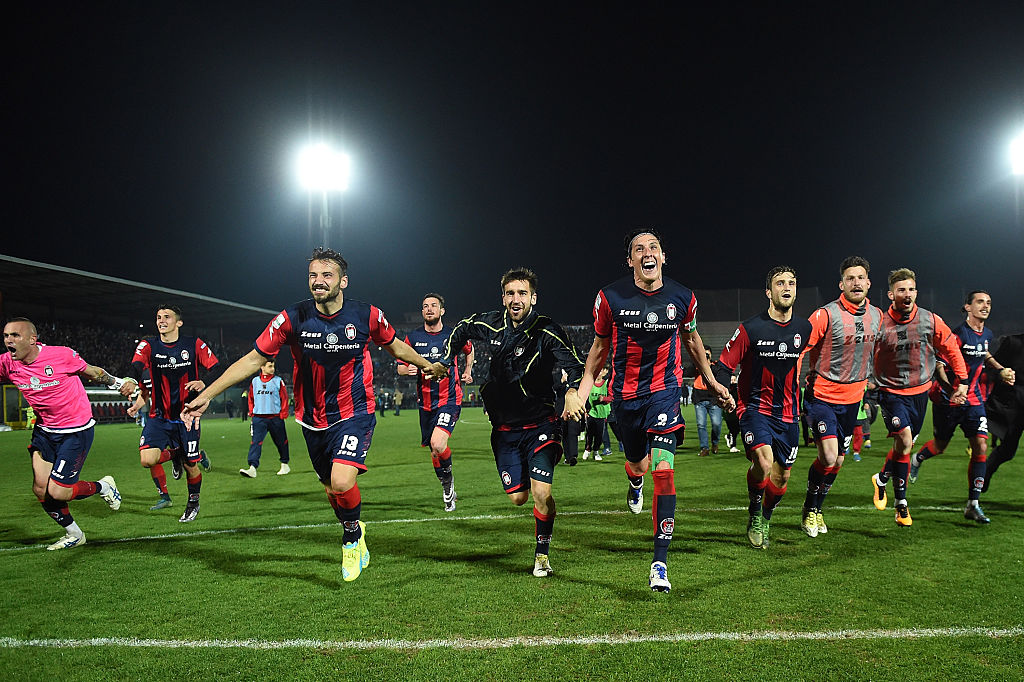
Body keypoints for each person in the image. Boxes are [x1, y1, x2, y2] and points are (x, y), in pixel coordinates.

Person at [183, 247, 441, 582]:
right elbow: (252, 359)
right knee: (332, 491)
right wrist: (207, 394)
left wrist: (425, 365)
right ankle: (355, 528)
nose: (318, 282)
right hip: (312, 417)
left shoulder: (366, 315)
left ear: (343, 281)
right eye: (313, 276)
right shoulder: (292, 318)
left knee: (341, 480)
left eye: (327, 275)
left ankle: (350, 542)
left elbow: (395, 346)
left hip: (355, 412)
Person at [577, 229, 732, 593]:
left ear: (663, 256)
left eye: (654, 247)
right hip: (624, 396)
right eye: (638, 249)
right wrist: (584, 390)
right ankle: (634, 481)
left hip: (664, 392)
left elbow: (692, 339)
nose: (647, 253)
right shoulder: (609, 297)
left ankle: (659, 563)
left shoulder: (683, 297)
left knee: (663, 468)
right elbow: (600, 347)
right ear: (630, 260)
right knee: (639, 464)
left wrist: (710, 381)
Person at [430, 267, 586, 578]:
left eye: (522, 293)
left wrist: (571, 391)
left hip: (541, 423)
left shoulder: (547, 330)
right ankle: (529, 477)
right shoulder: (490, 323)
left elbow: (576, 363)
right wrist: (446, 361)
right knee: (518, 498)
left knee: (542, 493)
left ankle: (542, 553)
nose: (516, 299)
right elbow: (460, 329)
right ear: (503, 297)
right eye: (511, 293)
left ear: (533, 297)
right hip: (504, 431)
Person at [1, 318, 129, 550]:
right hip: (45, 431)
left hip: (75, 431)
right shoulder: (7, 363)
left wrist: (118, 384)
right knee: (40, 488)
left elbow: (93, 372)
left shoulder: (61, 355)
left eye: (15, 335)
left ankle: (104, 487)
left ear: (32, 339)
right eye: (6, 336)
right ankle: (75, 534)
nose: (9, 340)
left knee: (58, 491)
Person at [715, 266, 812, 550]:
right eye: (780, 283)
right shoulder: (750, 328)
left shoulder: (804, 329)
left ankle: (766, 516)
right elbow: (724, 364)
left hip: (789, 414)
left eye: (792, 283)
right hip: (755, 409)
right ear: (768, 292)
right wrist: (723, 390)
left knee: (782, 476)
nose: (787, 287)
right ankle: (755, 512)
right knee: (764, 463)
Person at [869, 268, 968, 527]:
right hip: (890, 391)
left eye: (911, 289)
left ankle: (881, 480)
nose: (908, 294)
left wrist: (963, 380)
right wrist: (866, 379)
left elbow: (950, 347)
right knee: (904, 439)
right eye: (901, 290)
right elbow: (865, 351)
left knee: (905, 446)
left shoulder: (929, 320)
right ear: (891, 294)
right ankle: (901, 504)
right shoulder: (879, 323)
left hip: (920, 392)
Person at [908, 291, 1015, 522]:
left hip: (974, 399)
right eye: (979, 302)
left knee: (981, 446)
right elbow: (939, 367)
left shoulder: (987, 333)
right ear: (967, 307)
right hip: (949, 401)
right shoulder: (956, 335)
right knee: (940, 446)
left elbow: (984, 352)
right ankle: (917, 459)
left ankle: (973, 504)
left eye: (988, 302)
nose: (985, 306)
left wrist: (1000, 369)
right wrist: (951, 392)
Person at [797, 256, 883, 538]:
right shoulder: (825, 315)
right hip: (821, 397)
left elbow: (878, 353)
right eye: (850, 278)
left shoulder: (877, 316)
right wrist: (792, 387)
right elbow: (800, 350)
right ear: (841, 284)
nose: (856, 282)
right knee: (829, 455)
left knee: (839, 461)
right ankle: (809, 508)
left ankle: (818, 509)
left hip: (853, 399)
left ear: (868, 283)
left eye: (860, 278)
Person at [128, 305, 220, 520]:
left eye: (167, 317)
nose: (162, 320)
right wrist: (131, 379)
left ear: (179, 322)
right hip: (158, 416)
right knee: (147, 459)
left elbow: (217, 367)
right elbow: (136, 364)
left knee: (191, 466)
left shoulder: (193, 344)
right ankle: (177, 453)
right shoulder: (149, 344)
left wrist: (203, 382)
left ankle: (192, 503)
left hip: (187, 416)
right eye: (159, 317)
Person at [397, 292, 475, 511]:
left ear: (442, 311)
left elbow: (469, 350)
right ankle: (447, 484)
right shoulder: (412, 338)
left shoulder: (454, 335)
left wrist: (468, 370)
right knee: (434, 451)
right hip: (426, 405)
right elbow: (400, 366)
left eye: (433, 305)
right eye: (425, 306)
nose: (429, 309)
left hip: (449, 399)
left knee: (438, 443)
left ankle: (448, 487)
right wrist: (406, 369)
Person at [981, 333, 1024, 491]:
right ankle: (985, 472)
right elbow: (993, 369)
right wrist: (1001, 374)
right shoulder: (1013, 343)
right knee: (1007, 451)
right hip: (1014, 409)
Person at [239, 357, 292, 478]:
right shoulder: (255, 381)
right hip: (259, 419)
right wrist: (251, 411)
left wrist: (284, 412)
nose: (272, 369)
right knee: (255, 442)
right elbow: (251, 397)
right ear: (262, 367)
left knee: (281, 442)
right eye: (269, 366)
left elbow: (284, 397)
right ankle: (252, 467)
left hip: (275, 418)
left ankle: (285, 464)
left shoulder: (278, 381)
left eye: (273, 366)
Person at [692, 349, 723, 457]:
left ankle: (715, 443)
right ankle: (704, 448)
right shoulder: (696, 366)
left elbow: (716, 374)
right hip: (699, 399)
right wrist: (696, 361)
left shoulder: (715, 366)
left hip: (713, 399)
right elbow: (687, 372)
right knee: (701, 425)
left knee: (717, 424)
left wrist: (707, 363)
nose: (704, 356)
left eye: (707, 354)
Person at [582, 366, 612, 461]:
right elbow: (584, 396)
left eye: (600, 371)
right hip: (591, 412)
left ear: (604, 372)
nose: (599, 373)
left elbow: (612, 397)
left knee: (599, 435)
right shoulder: (589, 384)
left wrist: (604, 399)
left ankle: (596, 451)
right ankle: (587, 450)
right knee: (589, 433)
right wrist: (585, 410)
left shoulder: (607, 384)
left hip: (602, 414)